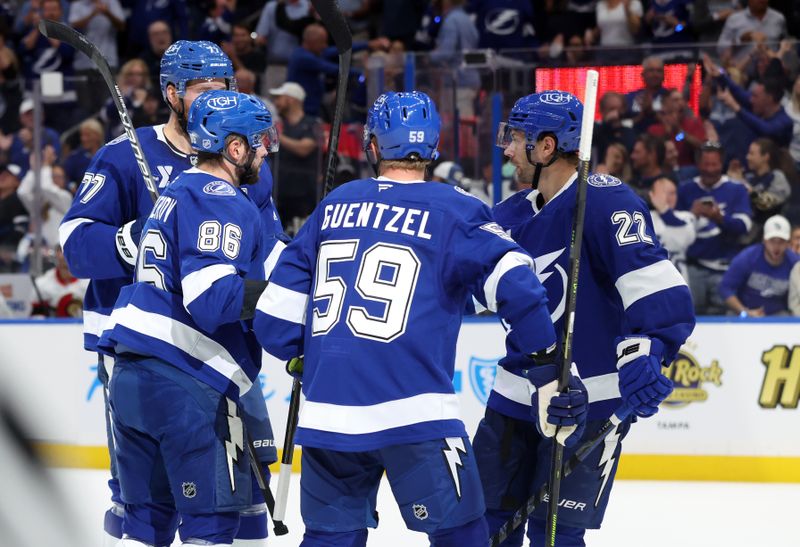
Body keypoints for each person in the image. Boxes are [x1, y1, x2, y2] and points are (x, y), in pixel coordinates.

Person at [252, 91, 567, 546]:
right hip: (416, 417)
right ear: (434, 148)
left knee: (329, 540)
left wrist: (303, 353)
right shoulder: (455, 208)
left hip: (328, 419)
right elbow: (518, 282)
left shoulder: (334, 205)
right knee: (463, 538)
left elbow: (275, 322)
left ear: (374, 147)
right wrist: (545, 360)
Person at [59, 41, 284, 547]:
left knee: (238, 500)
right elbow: (74, 247)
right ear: (172, 93)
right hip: (144, 345)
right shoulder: (121, 155)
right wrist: (141, 236)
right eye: (204, 89)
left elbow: (269, 249)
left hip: (224, 350)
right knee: (157, 503)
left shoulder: (247, 160)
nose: (216, 98)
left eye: (224, 88)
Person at [475, 90, 695, 546]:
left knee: (556, 535)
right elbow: (467, 294)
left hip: (588, 404)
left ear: (547, 146)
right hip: (515, 397)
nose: (509, 149)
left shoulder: (605, 202)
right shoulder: (509, 214)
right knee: (487, 528)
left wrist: (647, 350)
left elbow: (659, 291)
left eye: (516, 138)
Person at [676, 141, 753, 315]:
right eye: (706, 164)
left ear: (722, 164)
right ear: (698, 164)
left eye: (714, 164)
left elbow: (743, 226)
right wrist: (692, 215)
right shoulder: (685, 190)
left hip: (725, 268)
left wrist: (719, 218)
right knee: (688, 317)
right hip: (692, 268)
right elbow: (673, 230)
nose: (710, 169)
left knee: (727, 321)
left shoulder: (737, 189)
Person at [720, 214, 799, 316]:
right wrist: (744, 312)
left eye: (781, 241)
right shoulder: (748, 257)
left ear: (788, 243)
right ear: (764, 240)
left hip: (778, 315)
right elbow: (726, 288)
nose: (776, 246)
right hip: (745, 311)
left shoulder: (795, 263)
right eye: (772, 241)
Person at [269, 81, 319, 230]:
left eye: (279, 98)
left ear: (291, 99)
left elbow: (304, 148)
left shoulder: (311, 124)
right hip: (279, 192)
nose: (276, 102)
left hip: (303, 193)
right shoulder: (280, 124)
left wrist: (277, 136)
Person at [649, 176, 697, 280]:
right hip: (653, 280)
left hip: (679, 280)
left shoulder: (686, 216)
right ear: (652, 195)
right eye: (663, 193)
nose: (669, 197)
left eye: (673, 193)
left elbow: (686, 239)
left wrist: (664, 211)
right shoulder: (644, 218)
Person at [31, 244, 89, 317]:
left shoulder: (90, 282)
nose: (67, 254)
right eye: (62, 250)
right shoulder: (41, 284)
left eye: (73, 250)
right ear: (56, 253)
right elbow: (36, 318)